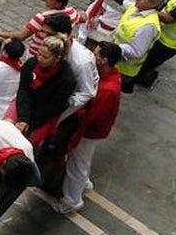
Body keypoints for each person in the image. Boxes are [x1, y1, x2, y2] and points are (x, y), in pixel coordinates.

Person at [53, 42, 123, 214]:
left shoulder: (106, 89)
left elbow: (92, 115)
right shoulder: (112, 78)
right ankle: (84, 183)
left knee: (77, 164)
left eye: (97, 54)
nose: (93, 56)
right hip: (95, 130)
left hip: (89, 132)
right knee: (83, 160)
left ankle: (72, 200)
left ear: (104, 60)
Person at [112, 0, 166, 92]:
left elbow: (137, 52)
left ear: (153, 4)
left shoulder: (148, 27)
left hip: (123, 69)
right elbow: (123, 4)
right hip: (115, 60)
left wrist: (114, 48)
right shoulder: (136, 7)